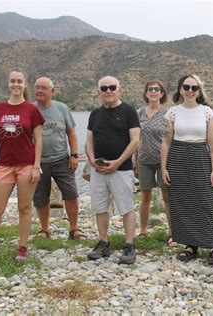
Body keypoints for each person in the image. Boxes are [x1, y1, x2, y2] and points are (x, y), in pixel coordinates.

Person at [0, 68, 44, 261]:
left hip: (27, 165)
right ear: (8, 83)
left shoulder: (32, 109)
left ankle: (22, 247)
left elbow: (38, 140)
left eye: (19, 81)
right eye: (12, 81)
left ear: (24, 84)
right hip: (4, 165)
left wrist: (37, 166)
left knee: (24, 208)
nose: (16, 84)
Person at [161, 74, 213, 266]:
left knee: (204, 201)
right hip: (177, 157)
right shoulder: (172, 112)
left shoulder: (207, 112)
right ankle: (191, 246)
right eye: (186, 87)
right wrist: (163, 167)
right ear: (180, 89)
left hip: (200, 156)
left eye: (194, 88)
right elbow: (166, 141)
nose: (189, 91)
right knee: (182, 202)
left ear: (199, 91)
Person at [85, 76, 140, 265]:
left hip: (121, 169)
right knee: (100, 207)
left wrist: (118, 162)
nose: (108, 91)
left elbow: (135, 141)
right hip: (98, 170)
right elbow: (89, 141)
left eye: (112, 87)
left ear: (119, 89)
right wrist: (92, 161)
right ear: (99, 92)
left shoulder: (129, 111)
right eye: (104, 88)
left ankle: (129, 245)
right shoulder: (95, 114)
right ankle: (103, 242)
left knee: (126, 207)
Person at [32, 77, 85, 240]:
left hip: (62, 159)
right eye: (37, 87)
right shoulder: (30, 109)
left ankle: (75, 228)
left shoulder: (62, 108)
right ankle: (44, 229)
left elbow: (71, 133)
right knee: (41, 197)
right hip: (38, 162)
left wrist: (74, 155)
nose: (39, 90)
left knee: (71, 193)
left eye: (43, 88)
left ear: (52, 91)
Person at [132, 81, 176, 246]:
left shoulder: (168, 113)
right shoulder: (139, 113)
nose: (153, 92)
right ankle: (143, 230)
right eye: (150, 89)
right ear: (146, 93)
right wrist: (134, 159)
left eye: (156, 89)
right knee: (145, 196)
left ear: (162, 93)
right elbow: (136, 138)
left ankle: (173, 232)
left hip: (164, 161)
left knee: (167, 196)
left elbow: (172, 138)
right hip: (144, 160)